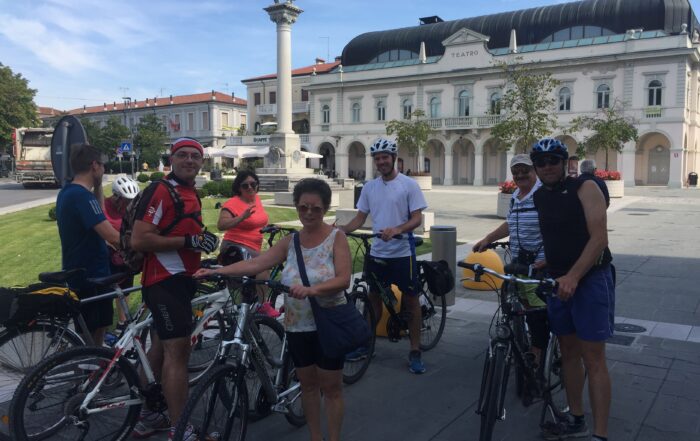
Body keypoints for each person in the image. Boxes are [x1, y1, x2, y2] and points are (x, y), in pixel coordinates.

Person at [195, 178, 351, 441]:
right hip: (298, 325)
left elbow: (344, 279)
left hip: (329, 324)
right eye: (303, 208)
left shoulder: (337, 238)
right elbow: (258, 264)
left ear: (325, 208)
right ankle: (316, 437)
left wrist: (312, 290)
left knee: (331, 388)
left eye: (315, 208)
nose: (309, 213)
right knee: (309, 387)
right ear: (297, 208)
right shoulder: (291, 241)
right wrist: (217, 270)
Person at [130, 137, 219, 441]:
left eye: (196, 156)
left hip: (180, 280)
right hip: (164, 282)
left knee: (159, 348)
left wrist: (201, 240)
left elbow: (181, 229)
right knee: (177, 353)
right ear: (171, 159)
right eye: (183, 155)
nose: (190, 160)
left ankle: (147, 415)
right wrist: (188, 242)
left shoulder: (187, 191)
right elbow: (140, 239)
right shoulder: (162, 190)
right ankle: (180, 429)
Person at [530, 138, 614, 441]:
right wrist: (546, 262)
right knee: (568, 352)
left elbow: (599, 238)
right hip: (558, 280)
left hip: (590, 279)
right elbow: (557, 234)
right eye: (541, 162)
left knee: (594, 357)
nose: (547, 166)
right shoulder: (541, 197)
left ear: (565, 162)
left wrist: (574, 276)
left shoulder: (585, 188)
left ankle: (600, 434)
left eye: (553, 160)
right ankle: (577, 418)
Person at [338, 137, 429, 374]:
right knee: (373, 298)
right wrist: (340, 231)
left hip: (402, 252)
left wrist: (398, 229)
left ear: (394, 158)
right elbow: (360, 218)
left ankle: (415, 350)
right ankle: (367, 346)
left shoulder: (409, 184)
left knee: (411, 300)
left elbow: (417, 218)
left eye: (384, 157)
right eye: (377, 158)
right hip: (378, 251)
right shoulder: (370, 187)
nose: (381, 162)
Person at [472, 154, 549, 373]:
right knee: (525, 304)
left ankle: (537, 356)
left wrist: (549, 258)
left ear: (534, 171)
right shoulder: (516, 195)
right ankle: (533, 345)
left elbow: (555, 227)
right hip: (519, 263)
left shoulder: (542, 194)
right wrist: (488, 239)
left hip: (538, 266)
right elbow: (509, 223)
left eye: (525, 170)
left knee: (536, 312)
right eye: (516, 172)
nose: (520, 175)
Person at [56, 143, 120, 346]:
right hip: (90, 274)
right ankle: (90, 375)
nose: (104, 170)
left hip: (88, 271)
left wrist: (99, 185)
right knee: (92, 339)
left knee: (98, 331)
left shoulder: (70, 192)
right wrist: (142, 243)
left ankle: (94, 371)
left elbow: (100, 214)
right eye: (103, 166)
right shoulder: (80, 196)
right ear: (95, 166)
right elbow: (110, 235)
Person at [216, 170, 278, 317]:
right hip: (234, 246)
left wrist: (269, 227)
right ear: (239, 188)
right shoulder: (233, 203)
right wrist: (241, 217)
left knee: (254, 279)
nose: (250, 187)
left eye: (253, 184)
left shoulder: (256, 199)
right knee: (264, 264)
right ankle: (262, 305)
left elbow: (257, 222)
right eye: (245, 185)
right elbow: (221, 225)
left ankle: (248, 307)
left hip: (252, 246)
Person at [104, 175, 140, 332]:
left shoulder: (131, 209)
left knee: (124, 287)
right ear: (116, 197)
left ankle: (122, 321)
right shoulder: (103, 205)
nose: (129, 204)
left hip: (124, 254)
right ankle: (103, 325)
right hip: (107, 252)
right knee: (106, 290)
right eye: (126, 200)